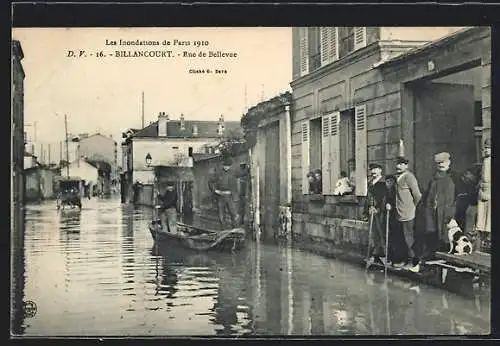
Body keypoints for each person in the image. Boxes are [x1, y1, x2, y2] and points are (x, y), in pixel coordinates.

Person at [422, 152, 457, 258]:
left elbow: (456, 197)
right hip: (433, 212)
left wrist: (451, 212)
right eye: (439, 163)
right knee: (432, 234)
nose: (441, 165)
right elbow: (428, 196)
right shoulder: (433, 179)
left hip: (448, 212)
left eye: (443, 162)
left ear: (449, 162)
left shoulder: (453, 177)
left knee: (446, 237)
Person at [394, 156, 422, 272]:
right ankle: (403, 260)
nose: (398, 166)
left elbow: (417, 195)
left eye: (401, 164)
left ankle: (412, 261)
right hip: (399, 213)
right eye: (397, 164)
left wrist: (412, 207)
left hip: (408, 213)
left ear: (406, 165)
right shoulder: (398, 177)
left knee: (408, 238)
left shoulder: (409, 177)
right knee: (400, 238)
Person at [365, 163, 387, 266]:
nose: (373, 171)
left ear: (380, 170)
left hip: (380, 212)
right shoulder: (370, 183)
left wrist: (378, 209)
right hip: (371, 211)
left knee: (381, 232)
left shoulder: (383, 183)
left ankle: (384, 255)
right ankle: (375, 254)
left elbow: (384, 198)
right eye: (371, 169)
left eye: (375, 169)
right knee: (373, 234)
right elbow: (368, 198)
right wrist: (368, 208)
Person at [385, 174, 406, 265]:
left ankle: (398, 259)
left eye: (391, 182)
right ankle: (390, 258)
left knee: (397, 239)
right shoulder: (386, 191)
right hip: (389, 218)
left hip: (397, 217)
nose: (389, 184)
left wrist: (391, 206)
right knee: (389, 238)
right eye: (387, 182)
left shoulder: (396, 191)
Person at [475, 138, 491, 251]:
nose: (485, 150)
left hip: (490, 192)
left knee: (489, 218)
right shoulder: (485, 161)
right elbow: (482, 177)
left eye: (488, 148)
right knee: (481, 219)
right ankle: (484, 241)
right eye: (484, 148)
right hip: (482, 191)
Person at [214, 158, 239, 229]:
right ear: (223, 165)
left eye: (227, 166)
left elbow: (242, 173)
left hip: (230, 196)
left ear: (230, 166)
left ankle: (234, 230)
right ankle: (223, 230)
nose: (226, 167)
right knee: (221, 214)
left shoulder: (233, 172)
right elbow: (210, 182)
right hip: (221, 196)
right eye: (225, 165)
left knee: (233, 213)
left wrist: (248, 169)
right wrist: (215, 190)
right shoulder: (218, 173)